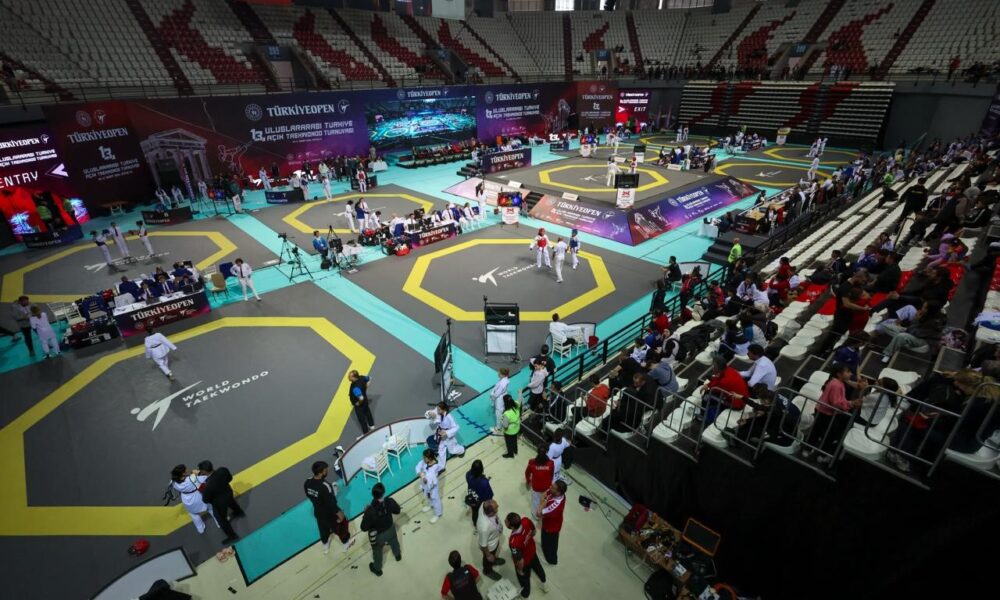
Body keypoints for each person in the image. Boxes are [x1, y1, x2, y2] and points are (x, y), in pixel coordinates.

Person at [804, 363, 863, 463]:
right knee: (828, 435)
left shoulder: (835, 382)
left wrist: (849, 403)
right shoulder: (837, 385)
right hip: (826, 413)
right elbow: (836, 403)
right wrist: (851, 403)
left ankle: (808, 449)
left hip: (822, 410)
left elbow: (839, 400)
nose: (851, 374)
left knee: (816, 431)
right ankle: (821, 455)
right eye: (848, 372)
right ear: (839, 374)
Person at [360, 482, 402, 576]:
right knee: (394, 542)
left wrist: (365, 513)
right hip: (390, 529)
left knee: (377, 552)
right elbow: (397, 511)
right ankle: (398, 555)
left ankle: (377, 569)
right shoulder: (390, 501)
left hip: (378, 536)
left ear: (373, 495)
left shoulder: (370, 511)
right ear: (383, 492)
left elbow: (363, 528)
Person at [198, 460, 245, 545]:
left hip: (219, 503)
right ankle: (239, 512)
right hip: (228, 493)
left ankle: (232, 536)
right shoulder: (222, 470)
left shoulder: (207, 485)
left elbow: (206, 500)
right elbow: (230, 478)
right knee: (232, 503)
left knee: (221, 519)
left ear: (204, 471)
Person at [506, 512, 547, 597]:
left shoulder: (513, 541)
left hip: (525, 562)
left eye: (506, 521)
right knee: (539, 569)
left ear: (512, 527)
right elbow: (534, 531)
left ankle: (525, 594)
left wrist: (520, 570)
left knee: (524, 579)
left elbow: (520, 560)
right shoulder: (526, 521)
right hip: (532, 553)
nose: (505, 521)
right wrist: (527, 539)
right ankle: (544, 583)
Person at [170, 464, 213, 534]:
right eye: (186, 469)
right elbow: (204, 478)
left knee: (194, 514)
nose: (188, 469)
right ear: (183, 473)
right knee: (210, 508)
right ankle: (218, 522)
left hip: (186, 499)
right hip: (197, 497)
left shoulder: (173, 482)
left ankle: (200, 529)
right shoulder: (192, 478)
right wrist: (197, 473)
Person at [536, 480, 567, 565]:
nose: (550, 488)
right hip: (548, 522)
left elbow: (538, 513)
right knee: (544, 541)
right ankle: (545, 548)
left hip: (551, 528)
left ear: (558, 492)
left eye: (553, 487)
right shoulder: (559, 494)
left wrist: (543, 501)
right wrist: (545, 499)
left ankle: (552, 560)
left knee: (551, 545)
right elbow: (546, 493)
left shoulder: (555, 506)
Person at [476, 499, 506, 582]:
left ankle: (493, 560)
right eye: (496, 507)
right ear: (491, 513)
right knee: (487, 559)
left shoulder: (483, 505)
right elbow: (483, 545)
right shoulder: (484, 527)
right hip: (490, 547)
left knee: (494, 554)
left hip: (495, 539)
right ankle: (487, 570)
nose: (498, 506)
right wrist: (488, 555)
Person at [524, 447, 554, 518]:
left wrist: (528, 481)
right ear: (546, 452)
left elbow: (527, 473)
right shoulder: (551, 463)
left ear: (537, 452)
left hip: (536, 487)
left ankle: (535, 515)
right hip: (546, 486)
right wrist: (550, 483)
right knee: (544, 501)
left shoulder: (532, 462)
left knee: (535, 501)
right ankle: (543, 513)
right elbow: (552, 474)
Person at [417, 449, 444, 524]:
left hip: (432, 487)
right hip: (425, 484)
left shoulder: (434, 467)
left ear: (430, 458)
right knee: (427, 496)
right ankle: (430, 505)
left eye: (425, 458)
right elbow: (418, 466)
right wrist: (419, 473)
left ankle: (438, 514)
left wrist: (424, 479)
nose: (423, 459)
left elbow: (432, 480)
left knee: (435, 499)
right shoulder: (425, 462)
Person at [466, 459, 494, 528]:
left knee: (474, 512)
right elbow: (489, 496)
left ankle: (475, 524)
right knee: (482, 513)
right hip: (481, 502)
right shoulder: (484, 482)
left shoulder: (468, 475)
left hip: (472, 498)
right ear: (482, 469)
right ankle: (481, 525)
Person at [348, 370, 375, 435]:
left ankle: (366, 433)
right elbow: (369, 378)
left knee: (362, 419)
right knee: (367, 412)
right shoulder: (362, 377)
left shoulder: (355, 388)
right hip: (365, 400)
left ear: (354, 377)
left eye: (350, 376)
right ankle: (372, 426)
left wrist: (358, 403)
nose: (348, 377)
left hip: (359, 405)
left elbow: (361, 398)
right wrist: (366, 387)